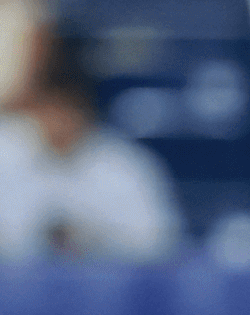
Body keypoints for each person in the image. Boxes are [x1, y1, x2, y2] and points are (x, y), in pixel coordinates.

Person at [0, 27, 182, 262]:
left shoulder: (124, 164)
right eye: (50, 107)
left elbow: (159, 241)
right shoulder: (7, 150)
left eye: (67, 108)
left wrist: (91, 238)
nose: (57, 120)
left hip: (105, 281)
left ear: (85, 110)